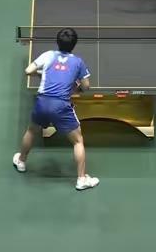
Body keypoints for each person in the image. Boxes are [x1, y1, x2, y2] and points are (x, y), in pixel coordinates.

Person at [13, 28, 99, 191]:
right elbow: (86, 86)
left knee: (32, 131)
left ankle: (21, 161)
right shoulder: (78, 62)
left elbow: (28, 71)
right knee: (78, 141)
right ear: (74, 44)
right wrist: (76, 87)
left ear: (57, 42)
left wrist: (42, 74)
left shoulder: (48, 55)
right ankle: (81, 179)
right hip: (61, 106)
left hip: (42, 102)